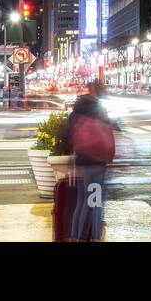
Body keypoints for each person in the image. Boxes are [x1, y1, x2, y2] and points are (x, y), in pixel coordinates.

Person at [62, 80, 117, 241]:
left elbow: (67, 134)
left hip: (80, 161)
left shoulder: (77, 109)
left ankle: (75, 236)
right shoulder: (99, 109)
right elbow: (109, 131)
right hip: (96, 163)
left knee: (81, 202)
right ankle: (94, 237)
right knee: (96, 202)